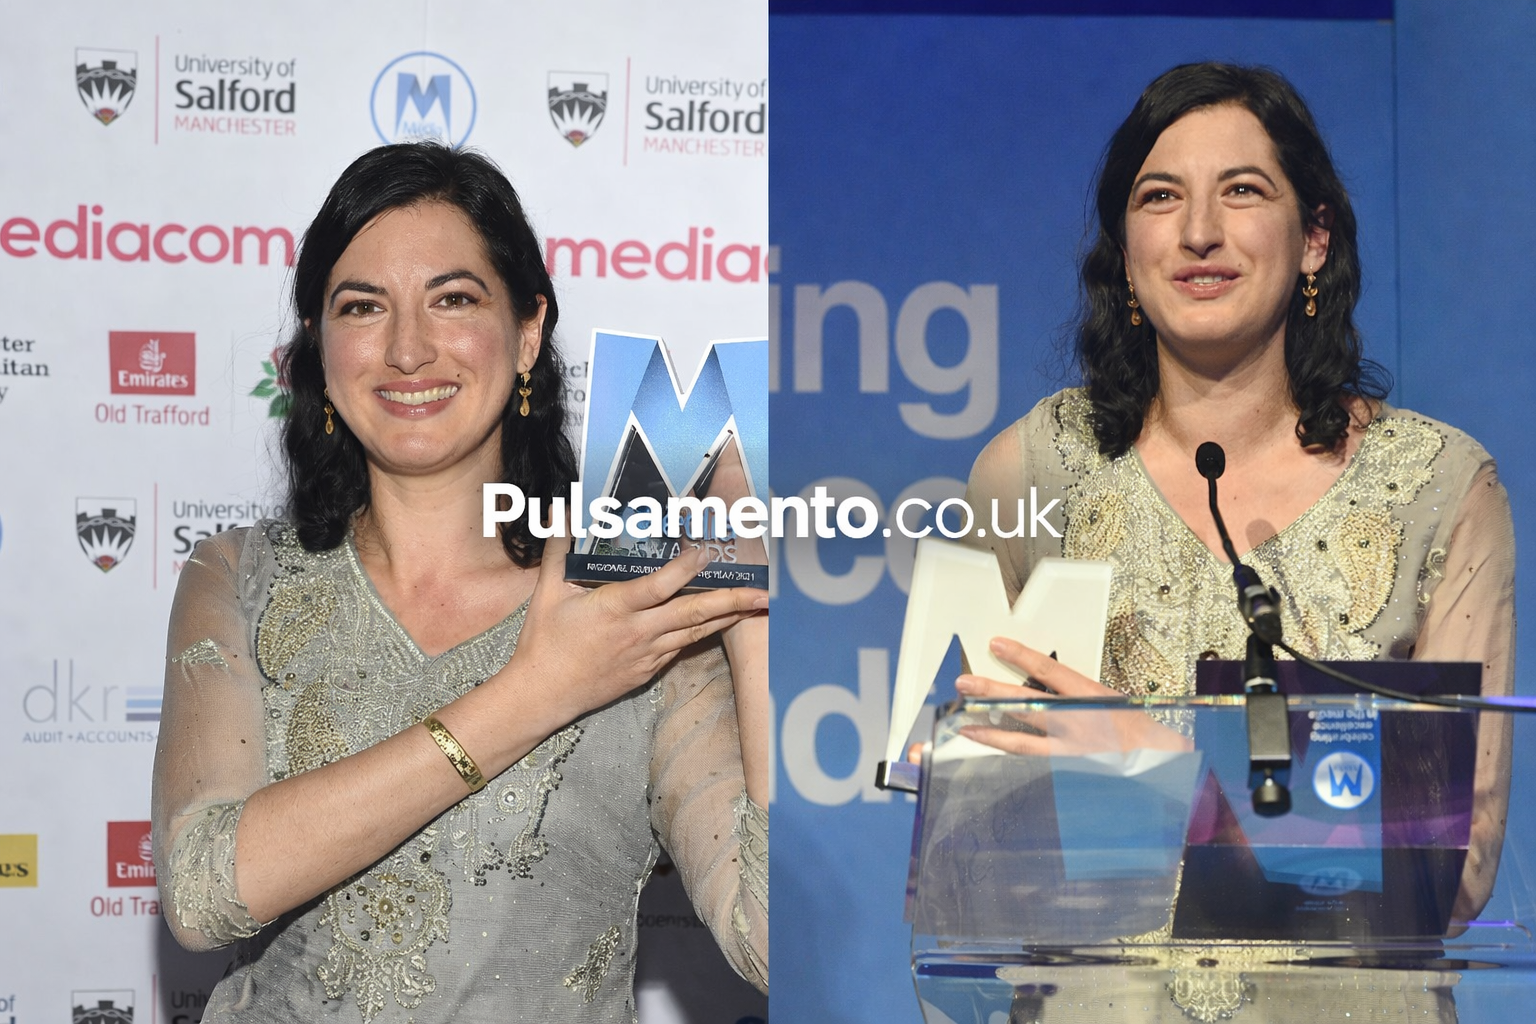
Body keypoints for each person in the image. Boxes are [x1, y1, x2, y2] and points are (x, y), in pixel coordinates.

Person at [150, 142, 768, 1023]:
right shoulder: (239, 575)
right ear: (319, 346)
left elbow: (773, 943)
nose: (408, 349)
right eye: (362, 306)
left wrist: (750, 601)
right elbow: (203, 891)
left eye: (453, 299)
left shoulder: (636, 606)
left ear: (528, 334)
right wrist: (540, 690)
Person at [954, 62, 1514, 1019]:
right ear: (1124, 250)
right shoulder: (1028, 473)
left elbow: (1456, 873)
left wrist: (1166, 769)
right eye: (1159, 197)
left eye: (1243, 190)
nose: (1199, 232)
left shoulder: (1441, 486)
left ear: (1314, 238)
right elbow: (973, 845)